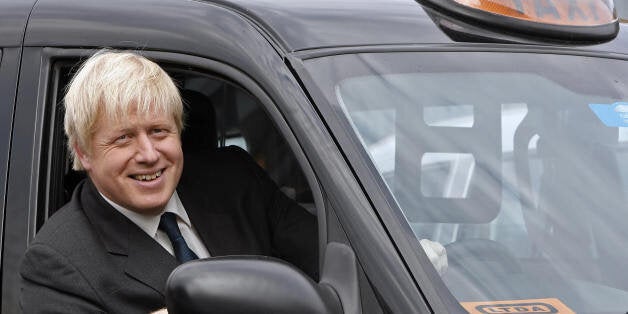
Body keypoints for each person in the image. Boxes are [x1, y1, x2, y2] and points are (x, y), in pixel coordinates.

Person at [19, 50, 318, 313]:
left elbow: (335, 264)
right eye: (124, 138)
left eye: (160, 131)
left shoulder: (233, 178)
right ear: (84, 153)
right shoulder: (57, 262)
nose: (149, 154)